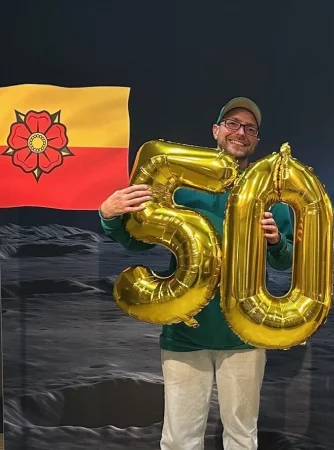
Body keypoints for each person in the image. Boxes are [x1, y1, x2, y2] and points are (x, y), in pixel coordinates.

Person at [98, 97, 294, 450]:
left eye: (250, 129)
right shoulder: (181, 189)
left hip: (244, 335)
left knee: (241, 437)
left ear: (256, 141)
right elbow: (138, 243)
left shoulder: (271, 194)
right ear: (215, 131)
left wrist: (277, 242)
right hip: (185, 333)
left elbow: (285, 262)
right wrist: (109, 215)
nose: (241, 133)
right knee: (179, 440)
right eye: (232, 124)